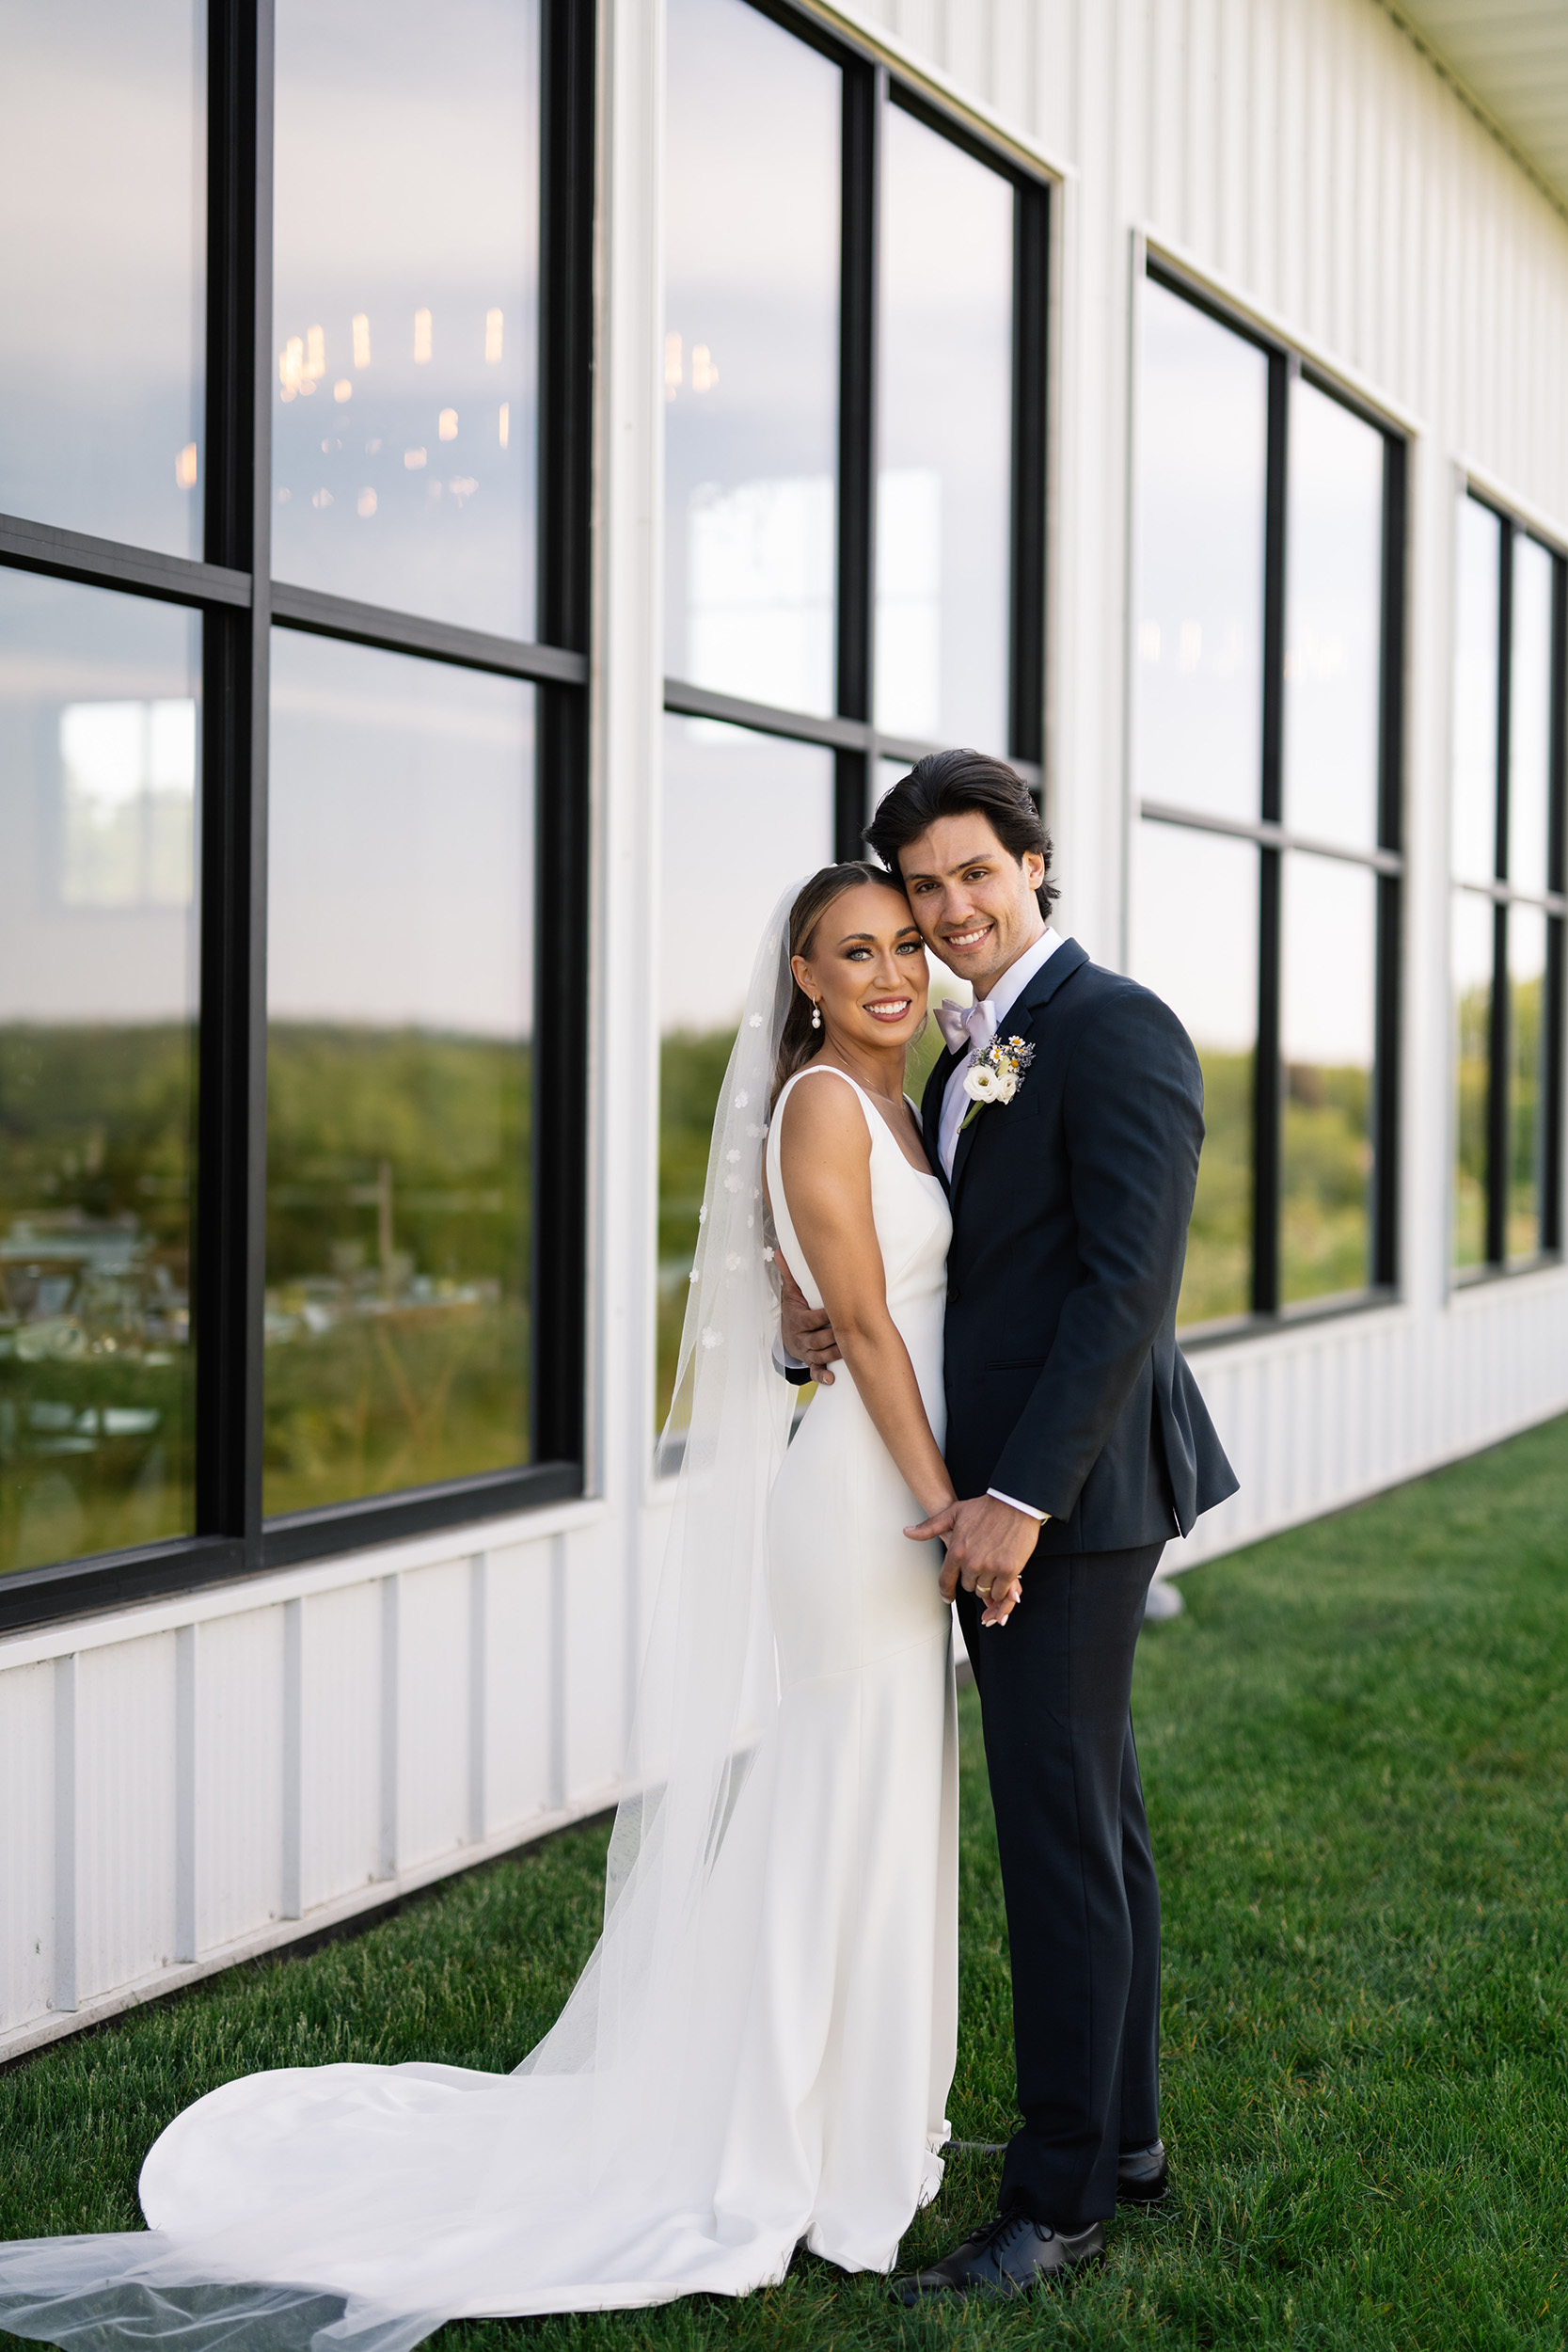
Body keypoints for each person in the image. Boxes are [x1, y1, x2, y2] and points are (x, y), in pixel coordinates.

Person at [0, 863, 974, 2349]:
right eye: (860, 951)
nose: (894, 971)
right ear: (805, 970)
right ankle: (789, 2138)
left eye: (907, 944)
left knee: (874, 1795)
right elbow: (855, 1329)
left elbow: (844, 1314)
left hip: (883, 1483)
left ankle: (859, 2110)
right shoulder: (824, 1106)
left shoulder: (904, 1099)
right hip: (864, 1503)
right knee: (839, 1795)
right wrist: (947, 1505)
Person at [781, 749, 1238, 2300]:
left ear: (1033, 865)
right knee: (1094, 1820)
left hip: (1072, 1495)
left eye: (974, 873)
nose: (950, 909)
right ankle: (1121, 2143)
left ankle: (1052, 2208)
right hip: (1028, 1490)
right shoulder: (979, 1048)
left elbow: (1128, 1292)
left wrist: (1016, 1502)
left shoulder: (1112, 1031)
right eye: (921, 887)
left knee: (1054, 1837)